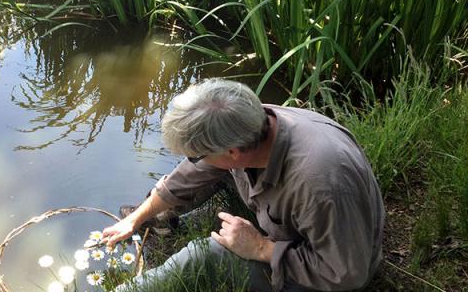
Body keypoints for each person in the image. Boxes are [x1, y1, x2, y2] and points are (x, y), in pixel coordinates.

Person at [102, 79, 385, 291]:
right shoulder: (249, 123)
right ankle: (160, 218)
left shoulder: (319, 184)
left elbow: (348, 272)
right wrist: (140, 216)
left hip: (337, 270)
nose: (194, 160)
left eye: (196, 153)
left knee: (206, 255)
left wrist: (261, 247)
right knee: (205, 172)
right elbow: (192, 171)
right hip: (322, 225)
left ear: (234, 152)